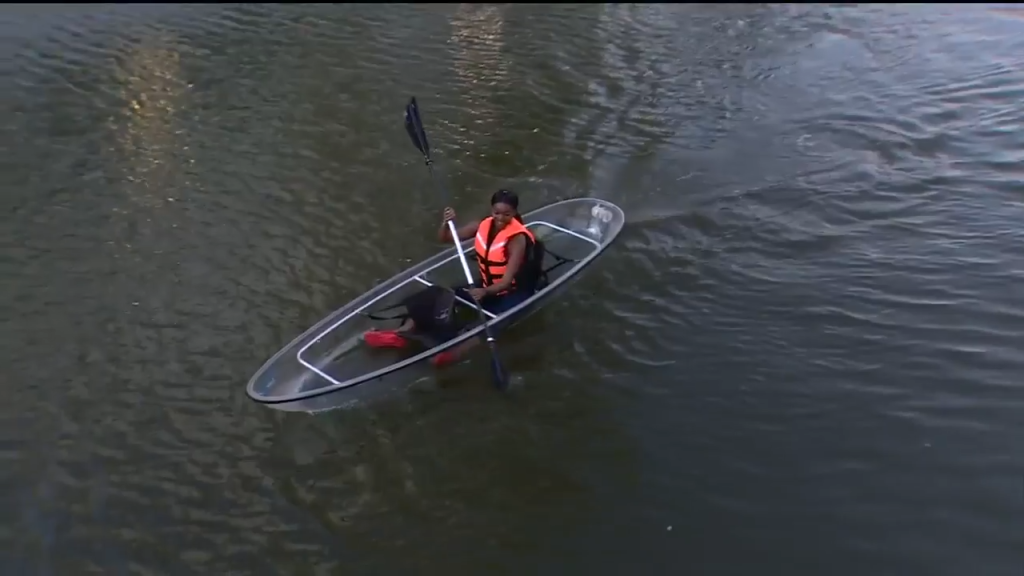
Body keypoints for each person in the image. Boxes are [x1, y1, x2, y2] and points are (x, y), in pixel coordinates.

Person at [362, 189, 543, 366]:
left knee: (491, 324)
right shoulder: (480, 225)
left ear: (515, 213)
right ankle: (400, 333)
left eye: (507, 214)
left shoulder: (517, 239)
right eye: (497, 213)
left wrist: (484, 291)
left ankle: (451, 354)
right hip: (487, 286)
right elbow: (446, 238)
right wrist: (446, 223)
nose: (501, 218)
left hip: (513, 291)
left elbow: (505, 281)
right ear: (491, 211)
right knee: (442, 296)